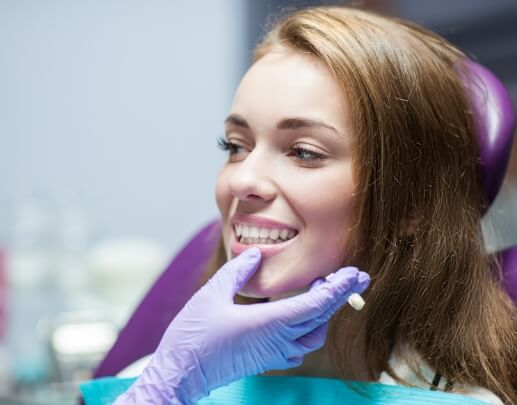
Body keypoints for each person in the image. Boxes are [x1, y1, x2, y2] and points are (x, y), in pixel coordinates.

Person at [113, 6, 517, 404]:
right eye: (235, 146)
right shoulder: (156, 381)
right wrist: (167, 387)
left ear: (412, 206)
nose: (241, 180)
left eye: (304, 152)